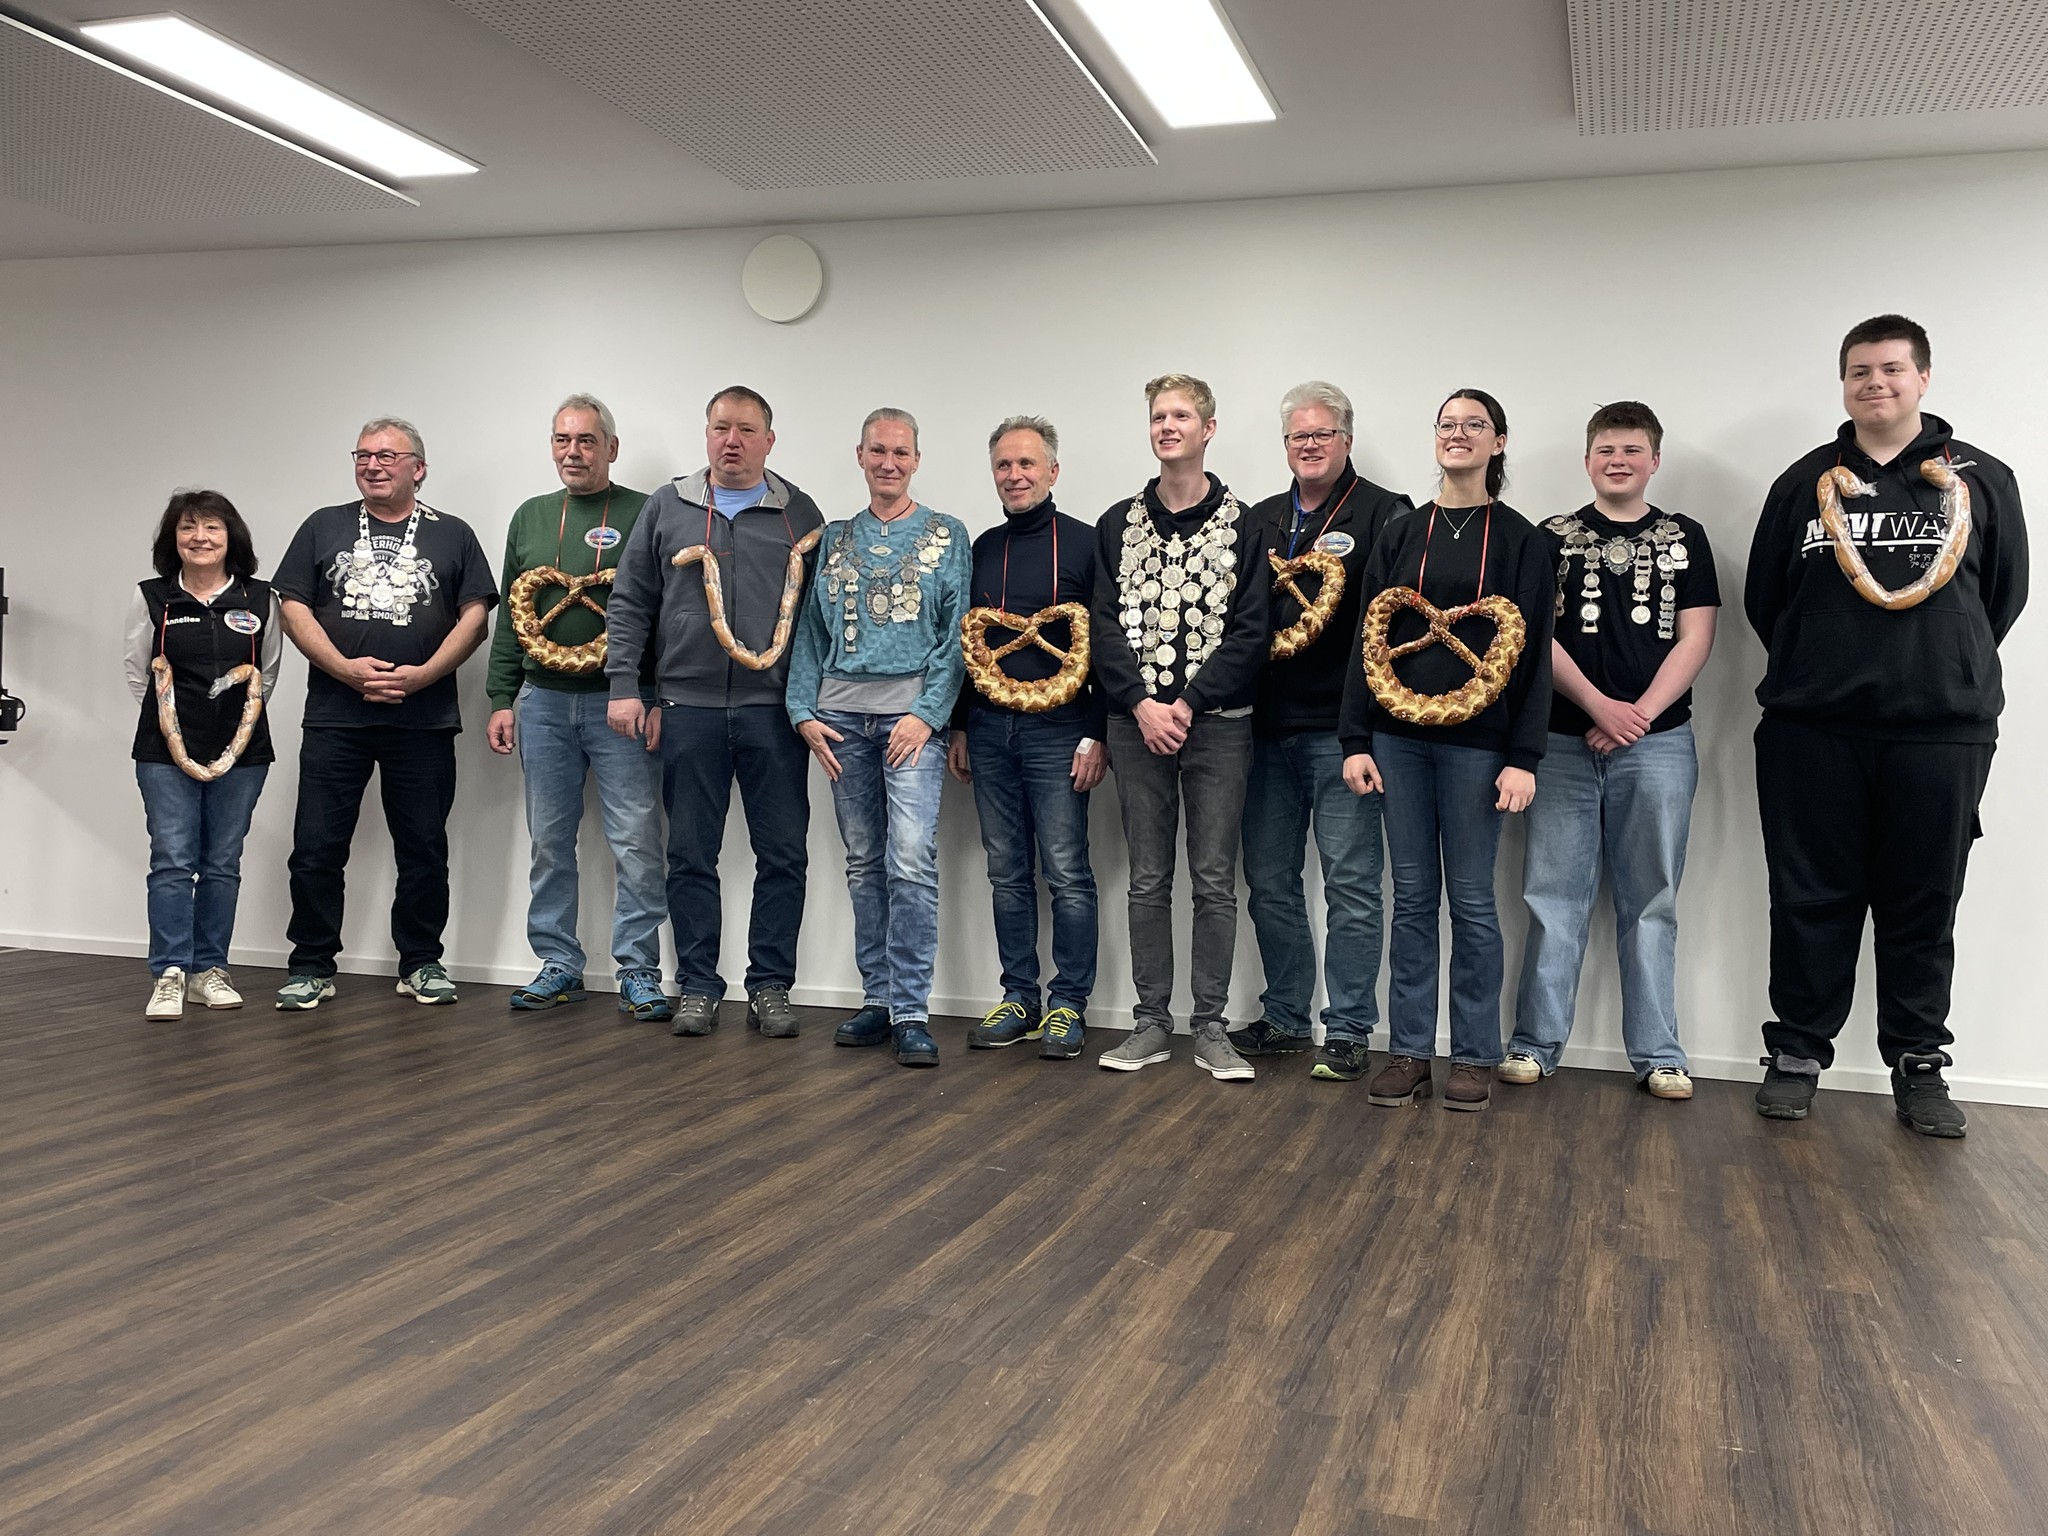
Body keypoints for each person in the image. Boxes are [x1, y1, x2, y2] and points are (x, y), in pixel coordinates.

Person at [1745, 314, 2028, 1137]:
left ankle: (1919, 1064)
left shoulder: (1982, 480)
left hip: (1940, 732)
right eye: (1860, 371)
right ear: (1844, 384)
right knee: (1808, 896)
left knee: (1923, 901)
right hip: (1813, 728)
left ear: (1923, 378)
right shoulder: (1803, 482)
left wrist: (1936, 667)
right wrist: (1824, 663)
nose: (1876, 383)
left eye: (1892, 369)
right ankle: (1797, 1053)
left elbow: (2001, 596)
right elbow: (1769, 599)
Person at [1339, 389, 1555, 1112]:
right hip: (1397, 742)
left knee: (1471, 900)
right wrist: (1356, 737)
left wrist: (1524, 755)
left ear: (1499, 442)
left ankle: (1473, 1055)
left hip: (1480, 748)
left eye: (1474, 425)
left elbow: (1533, 657)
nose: (1458, 434)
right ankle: (1408, 1051)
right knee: (1410, 901)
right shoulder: (1403, 533)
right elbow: (1368, 641)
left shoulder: (1523, 541)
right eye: (1447, 424)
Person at [1499, 401, 1719, 1099]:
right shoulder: (1550, 538)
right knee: (1552, 898)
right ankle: (1534, 1044)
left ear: (1655, 460)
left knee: (1651, 900)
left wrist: (1638, 716)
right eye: (1606, 450)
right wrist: (1600, 707)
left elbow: (1697, 636)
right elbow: (1532, 637)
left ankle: (1659, 1054)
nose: (1618, 461)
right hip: (1562, 743)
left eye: (1631, 450)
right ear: (1587, 460)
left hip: (1659, 744)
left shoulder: (1686, 537)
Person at [607, 386, 826, 1040]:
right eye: (721, 428)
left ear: (769, 441)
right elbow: (631, 601)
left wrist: (809, 701)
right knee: (690, 855)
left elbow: (817, 621)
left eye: (746, 430)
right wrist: (627, 686)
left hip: (773, 713)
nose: (732, 441)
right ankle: (698, 986)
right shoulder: (667, 506)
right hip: (688, 708)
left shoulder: (799, 513)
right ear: (706, 435)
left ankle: (770, 986)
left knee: (783, 854)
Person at [272, 417, 497, 1009]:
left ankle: (421, 962)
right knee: (316, 846)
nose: (372, 465)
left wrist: (425, 675)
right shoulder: (323, 525)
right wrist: (344, 668)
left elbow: (476, 616)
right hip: (336, 716)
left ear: (418, 469)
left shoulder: (454, 534)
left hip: (423, 718)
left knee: (423, 847)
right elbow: (292, 607)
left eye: (387, 455)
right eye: (362, 455)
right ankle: (311, 965)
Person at [1091, 373, 1273, 1081]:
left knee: (1214, 880)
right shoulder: (1118, 523)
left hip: (1219, 726)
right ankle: (1149, 1022)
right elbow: (1103, 626)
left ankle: (1211, 1026)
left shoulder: (1246, 524)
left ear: (1208, 429)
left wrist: (1189, 704)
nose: (1168, 426)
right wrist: (1141, 704)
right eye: (1158, 416)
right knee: (1146, 878)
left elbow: (1251, 632)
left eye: (1181, 416)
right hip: (1135, 725)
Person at [1232, 381, 1411, 1081]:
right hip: (1263, 731)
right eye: (1297, 436)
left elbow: (1391, 630)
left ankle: (1349, 1029)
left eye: (1321, 434)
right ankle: (1284, 1018)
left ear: (1347, 440)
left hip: (1343, 736)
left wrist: (1361, 732)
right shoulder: (1261, 520)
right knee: (1269, 882)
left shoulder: (1386, 514)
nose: (1309, 445)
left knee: (1352, 886)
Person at [786, 408, 970, 1067]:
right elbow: (810, 633)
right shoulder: (833, 538)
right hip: (840, 723)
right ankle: (879, 998)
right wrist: (801, 710)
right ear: (859, 456)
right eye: (877, 451)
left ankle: (912, 1011)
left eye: (900, 452)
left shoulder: (948, 535)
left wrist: (929, 714)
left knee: (911, 857)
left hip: (911, 722)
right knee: (864, 859)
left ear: (917, 460)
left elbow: (956, 634)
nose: (888, 462)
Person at [485, 395, 669, 1021]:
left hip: (623, 703)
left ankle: (638, 970)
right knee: (549, 841)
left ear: (611, 448)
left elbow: (664, 613)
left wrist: (656, 697)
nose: (573, 452)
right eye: (562, 440)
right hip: (541, 704)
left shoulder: (646, 511)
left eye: (587, 440)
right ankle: (558, 961)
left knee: (636, 840)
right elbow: (512, 618)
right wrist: (502, 697)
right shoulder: (531, 516)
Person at [946, 415, 1104, 1061]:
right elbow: (968, 645)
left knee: (1066, 871)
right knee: (1006, 871)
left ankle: (1069, 1003)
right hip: (988, 729)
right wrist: (961, 723)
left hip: (1061, 731)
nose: (1015, 475)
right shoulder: (981, 548)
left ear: (1053, 471)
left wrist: (1097, 734)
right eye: (1004, 465)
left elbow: (1107, 647)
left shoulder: (1088, 545)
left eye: (1027, 464)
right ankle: (1019, 996)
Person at [125, 491, 282, 1019]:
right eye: (188, 527)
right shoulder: (153, 597)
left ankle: (209, 970)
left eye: (212, 527)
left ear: (230, 536)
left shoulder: (262, 598)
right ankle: (170, 972)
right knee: (172, 859)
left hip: (243, 752)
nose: (200, 538)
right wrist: (175, 728)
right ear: (173, 539)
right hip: (163, 752)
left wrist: (232, 732)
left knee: (221, 862)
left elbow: (267, 673)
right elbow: (138, 672)